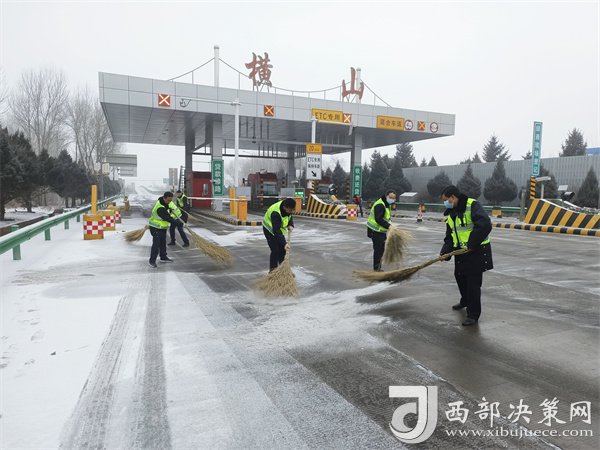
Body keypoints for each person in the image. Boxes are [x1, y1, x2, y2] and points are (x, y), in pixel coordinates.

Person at [439, 185, 493, 326]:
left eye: (446, 200)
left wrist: (472, 244)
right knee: (460, 276)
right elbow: (449, 236)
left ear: (453, 197)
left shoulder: (472, 205)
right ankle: (465, 301)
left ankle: (473, 314)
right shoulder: (451, 213)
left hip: (476, 251)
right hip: (462, 252)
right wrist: (445, 253)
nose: (445, 203)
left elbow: (485, 224)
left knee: (473, 284)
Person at [262, 198, 296, 272]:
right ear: (285, 207)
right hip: (269, 230)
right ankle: (272, 271)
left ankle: (282, 270)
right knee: (275, 250)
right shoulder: (276, 213)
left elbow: (289, 216)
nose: (292, 212)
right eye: (290, 210)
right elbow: (276, 231)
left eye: (293, 209)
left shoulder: (287, 207)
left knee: (282, 250)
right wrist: (285, 243)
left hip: (278, 230)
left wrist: (290, 224)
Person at [148, 192, 180, 268]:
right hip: (155, 227)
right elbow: (168, 218)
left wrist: (170, 209)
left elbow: (169, 210)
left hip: (162, 227)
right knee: (156, 244)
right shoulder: (160, 208)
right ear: (164, 198)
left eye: (170, 200)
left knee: (163, 242)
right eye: (168, 200)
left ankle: (163, 257)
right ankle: (152, 261)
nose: (169, 202)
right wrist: (178, 223)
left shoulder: (165, 203)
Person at [366, 190, 396, 271]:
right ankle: (376, 268)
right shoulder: (380, 205)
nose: (392, 199)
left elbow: (386, 218)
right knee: (378, 250)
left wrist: (390, 226)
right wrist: (389, 226)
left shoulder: (386, 205)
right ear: (386, 196)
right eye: (390, 197)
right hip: (375, 231)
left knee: (381, 250)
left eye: (393, 198)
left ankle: (378, 267)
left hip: (381, 231)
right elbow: (378, 219)